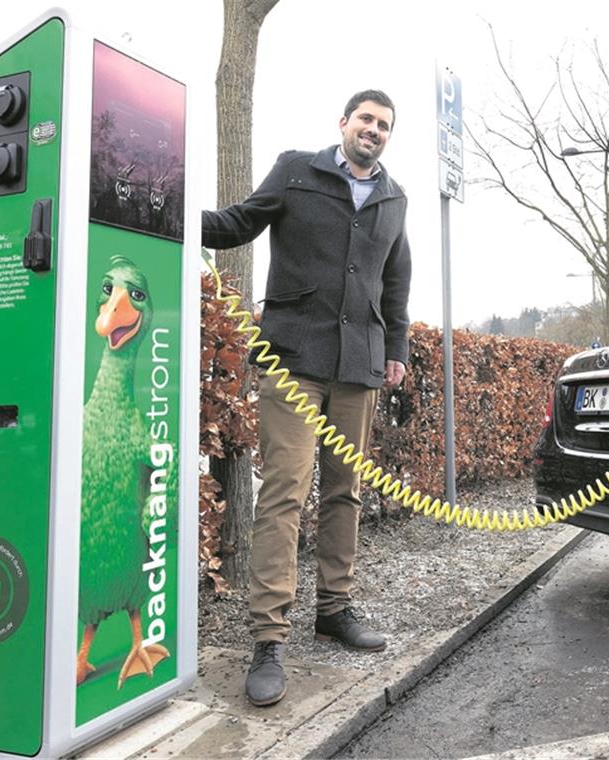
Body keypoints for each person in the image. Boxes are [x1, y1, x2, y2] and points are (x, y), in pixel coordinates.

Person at [202, 90, 411, 707]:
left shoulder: (395, 198)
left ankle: (334, 609)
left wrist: (394, 346)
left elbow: (395, 279)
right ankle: (268, 637)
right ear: (343, 123)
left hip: (359, 364)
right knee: (284, 493)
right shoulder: (297, 170)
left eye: (384, 125)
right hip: (293, 358)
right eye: (365, 119)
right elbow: (239, 222)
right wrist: (175, 214)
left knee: (345, 489)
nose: (373, 130)